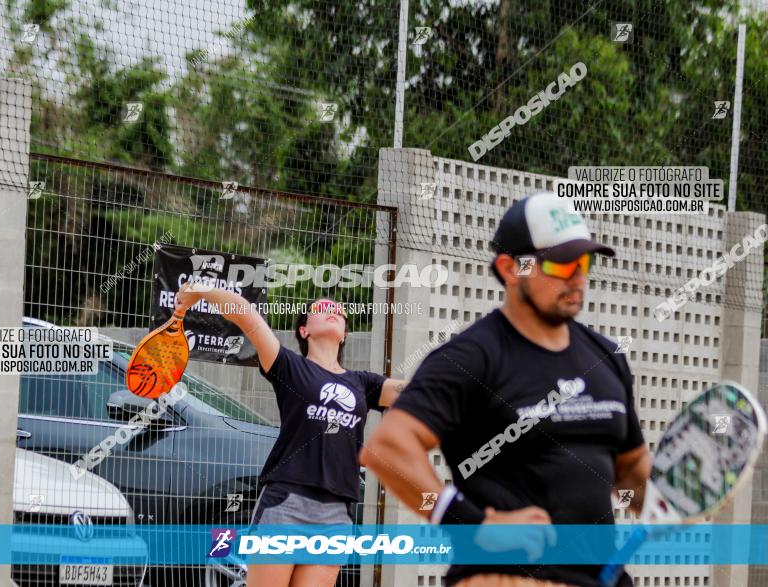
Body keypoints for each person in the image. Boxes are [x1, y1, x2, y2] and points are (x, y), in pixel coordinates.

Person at [361, 191, 651, 587]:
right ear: (510, 268)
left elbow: (632, 474)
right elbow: (387, 449)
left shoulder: (607, 358)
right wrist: (474, 526)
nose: (577, 277)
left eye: (583, 263)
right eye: (560, 264)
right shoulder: (472, 357)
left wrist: (683, 491)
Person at [175, 283, 407, 587]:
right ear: (304, 330)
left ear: (346, 334)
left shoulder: (362, 383)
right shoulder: (289, 366)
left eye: (338, 310)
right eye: (321, 309)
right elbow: (246, 315)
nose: (333, 310)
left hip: (336, 514)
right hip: (286, 503)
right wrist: (200, 292)